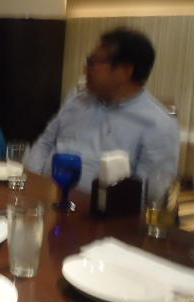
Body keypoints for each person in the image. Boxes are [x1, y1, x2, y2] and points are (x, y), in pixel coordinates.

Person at [26, 28, 180, 192]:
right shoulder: (77, 101)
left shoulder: (158, 125)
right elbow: (45, 143)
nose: (85, 69)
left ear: (125, 71)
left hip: (99, 207)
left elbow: (151, 193)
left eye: (93, 62)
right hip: (44, 196)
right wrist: (32, 182)